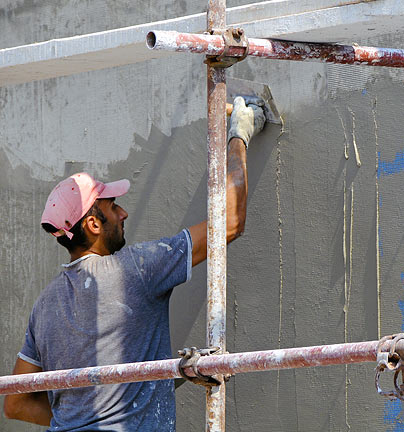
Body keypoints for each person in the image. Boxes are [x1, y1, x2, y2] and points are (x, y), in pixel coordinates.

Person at [3, 97, 265, 431]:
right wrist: (239, 135)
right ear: (93, 225)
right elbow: (229, 221)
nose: (123, 213)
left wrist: (83, 420)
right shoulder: (135, 270)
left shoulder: (44, 305)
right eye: (113, 207)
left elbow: (16, 403)